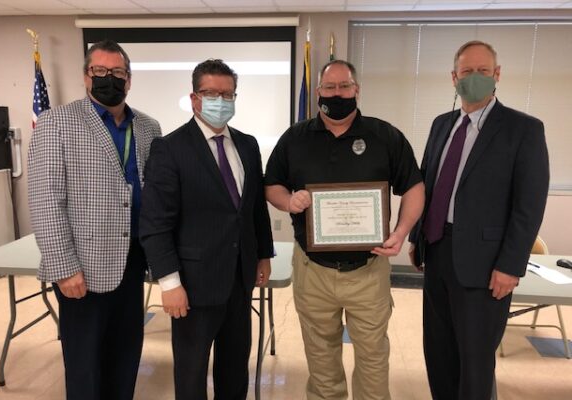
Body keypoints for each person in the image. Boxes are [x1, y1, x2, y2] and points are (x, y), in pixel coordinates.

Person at [265, 59, 425, 400]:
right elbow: (272, 185)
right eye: (329, 88)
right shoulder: (295, 138)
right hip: (313, 272)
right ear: (318, 91)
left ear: (357, 90)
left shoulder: (385, 136)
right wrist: (289, 201)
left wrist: (401, 231)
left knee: (373, 359)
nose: (337, 94)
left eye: (344, 86)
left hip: (368, 270)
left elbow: (414, 187)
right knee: (321, 361)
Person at [409, 40, 550, 400]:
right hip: (438, 251)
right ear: (453, 77)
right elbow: (427, 183)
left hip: (487, 266)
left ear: (497, 75)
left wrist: (511, 266)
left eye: (483, 71)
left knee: (475, 362)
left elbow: (528, 206)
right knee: (438, 353)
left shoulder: (523, 129)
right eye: (467, 71)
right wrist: (418, 237)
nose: (474, 78)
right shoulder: (442, 124)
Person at [27, 40, 161, 400]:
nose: (108, 79)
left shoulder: (149, 127)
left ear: (129, 80)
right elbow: (44, 200)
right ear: (86, 77)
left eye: (117, 73)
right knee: (85, 366)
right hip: (81, 269)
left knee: (125, 357)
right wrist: (63, 267)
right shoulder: (58, 122)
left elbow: (158, 194)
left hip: (133, 262)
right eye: (99, 71)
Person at [139, 59, 274, 400]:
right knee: (192, 373)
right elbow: (156, 224)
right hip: (193, 286)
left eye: (227, 94)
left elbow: (255, 208)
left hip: (239, 281)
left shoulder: (247, 144)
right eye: (210, 93)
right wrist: (169, 283)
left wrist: (262, 255)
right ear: (194, 98)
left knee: (234, 369)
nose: (220, 101)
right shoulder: (170, 149)